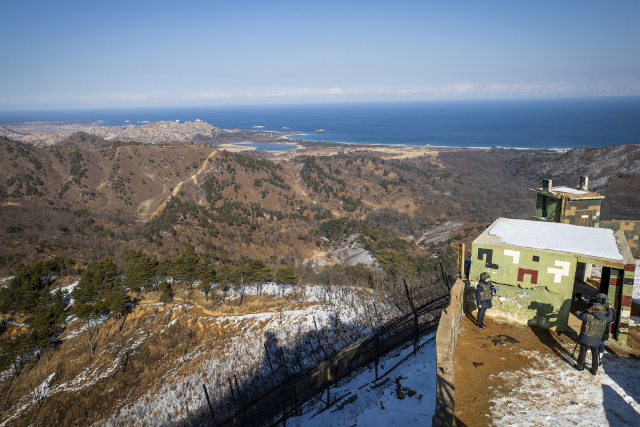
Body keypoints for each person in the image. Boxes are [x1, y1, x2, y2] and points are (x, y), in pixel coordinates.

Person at [575, 302, 614, 375]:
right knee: (595, 355)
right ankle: (594, 370)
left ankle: (580, 366)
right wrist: (610, 308)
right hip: (596, 340)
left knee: (582, 353)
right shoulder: (605, 319)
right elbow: (610, 317)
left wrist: (578, 313)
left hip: (585, 338)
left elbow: (579, 316)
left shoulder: (587, 316)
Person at [597, 294, 615, 365]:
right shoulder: (596, 305)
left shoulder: (609, 308)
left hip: (604, 327)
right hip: (595, 325)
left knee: (601, 341)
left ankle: (600, 353)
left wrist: (606, 321)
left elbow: (613, 317)